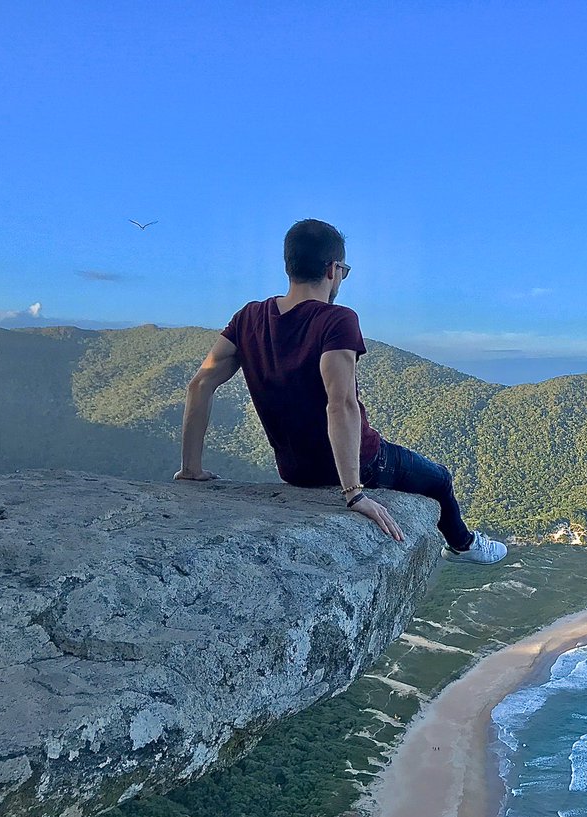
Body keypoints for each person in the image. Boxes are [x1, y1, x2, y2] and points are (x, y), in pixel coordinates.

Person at [174, 218, 506, 565]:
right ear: (333, 269)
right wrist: (353, 492)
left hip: (293, 471)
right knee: (440, 479)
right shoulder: (335, 320)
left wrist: (191, 468)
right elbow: (341, 404)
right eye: (344, 271)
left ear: (289, 266)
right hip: (362, 463)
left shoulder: (249, 317)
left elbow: (201, 383)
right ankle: (464, 545)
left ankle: (461, 543)